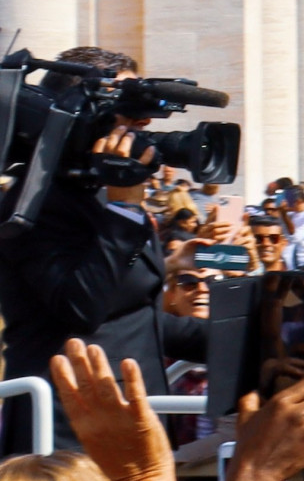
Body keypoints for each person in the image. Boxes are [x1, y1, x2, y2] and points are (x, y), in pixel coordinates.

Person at [0, 46, 207, 454]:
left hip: (130, 426)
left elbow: (129, 318)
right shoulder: (35, 202)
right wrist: (126, 206)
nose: (143, 124)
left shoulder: (100, 193)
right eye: (127, 111)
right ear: (75, 112)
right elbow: (81, 308)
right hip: (66, 438)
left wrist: (258, 328)